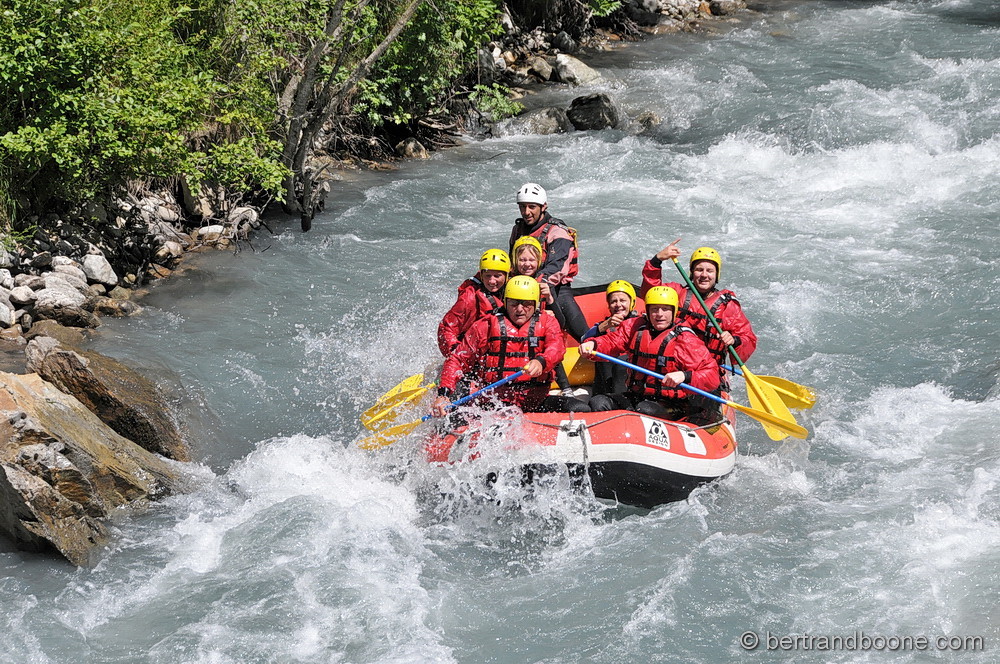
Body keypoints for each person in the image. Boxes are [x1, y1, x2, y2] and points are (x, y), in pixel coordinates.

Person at [431, 276, 590, 417]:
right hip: (495, 403)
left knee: (581, 409)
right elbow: (457, 359)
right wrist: (443, 394)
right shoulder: (485, 325)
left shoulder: (548, 323)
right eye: (514, 304)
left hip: (534, 400)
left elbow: (556, 348)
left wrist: (541, 361)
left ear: (535, 304)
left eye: (526, 304)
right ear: (506, 302)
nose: (520, 309)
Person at [579, 286, 720, 422]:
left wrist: (685, 375)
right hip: (637, 395)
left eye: (665, 309)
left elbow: (712, 375)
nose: (659, 314)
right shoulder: (635, 327)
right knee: (599, 402)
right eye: (654, 309)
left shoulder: (685, 339)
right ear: (647, 311)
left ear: (673, 311)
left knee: (645, 409)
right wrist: (593, 344)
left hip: (673, 404)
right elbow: (612, 341)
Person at [640, 241, 757, 387]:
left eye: (710, 271)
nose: (704, 275)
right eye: (699, 270)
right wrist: (656, 261)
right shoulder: (676, 294)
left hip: (704, 373)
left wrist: (734, 340)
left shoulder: (728, 307)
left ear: (716, 275)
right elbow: (650, 293)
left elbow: (748, 339)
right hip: (671, 366)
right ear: (691, 273)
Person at [508, 183, 588, 340]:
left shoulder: (558, 232)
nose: (526, 212)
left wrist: (536, 287)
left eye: (532, 207)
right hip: (522, 287)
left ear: (543, 206)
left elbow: (557, 268)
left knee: (584, 336)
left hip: (555, 289)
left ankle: (597, 353)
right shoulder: (517, 229)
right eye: (522, 207)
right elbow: (512, 262)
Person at [437, 248, 510, 357]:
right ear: (481, 275)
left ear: (506, 275)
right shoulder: (469, 297)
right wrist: (456, 355)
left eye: (497, 276)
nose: (492, 281)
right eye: (487, 275)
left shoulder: (512, 290)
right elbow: (446, 328)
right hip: (471, 351)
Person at [581, 280, 641, 396]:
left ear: (632, 302)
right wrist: (604, 326)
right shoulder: (603, 325)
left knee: (621, 363)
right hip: (605, 381)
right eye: (614, 301)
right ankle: (605, 397)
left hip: (628, 379)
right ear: (609, 305)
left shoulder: (641, 324)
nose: (618, 304)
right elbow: (584, 341)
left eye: (623, 300)